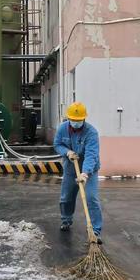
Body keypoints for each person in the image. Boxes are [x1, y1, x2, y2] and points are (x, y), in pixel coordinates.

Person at [54, 101, 103, 243]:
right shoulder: (62, 129)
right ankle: (66, 220)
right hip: (70, 168)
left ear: (84, 119)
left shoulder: (91, 132)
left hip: (90, 170)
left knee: (91, 198)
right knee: (66, 197)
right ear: (69, 118)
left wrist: (85, 173)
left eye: (78, 120)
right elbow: (57, 144)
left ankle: (95, 231)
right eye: (73, 120)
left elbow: (91, 154)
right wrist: (67, 151)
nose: (75, 122)